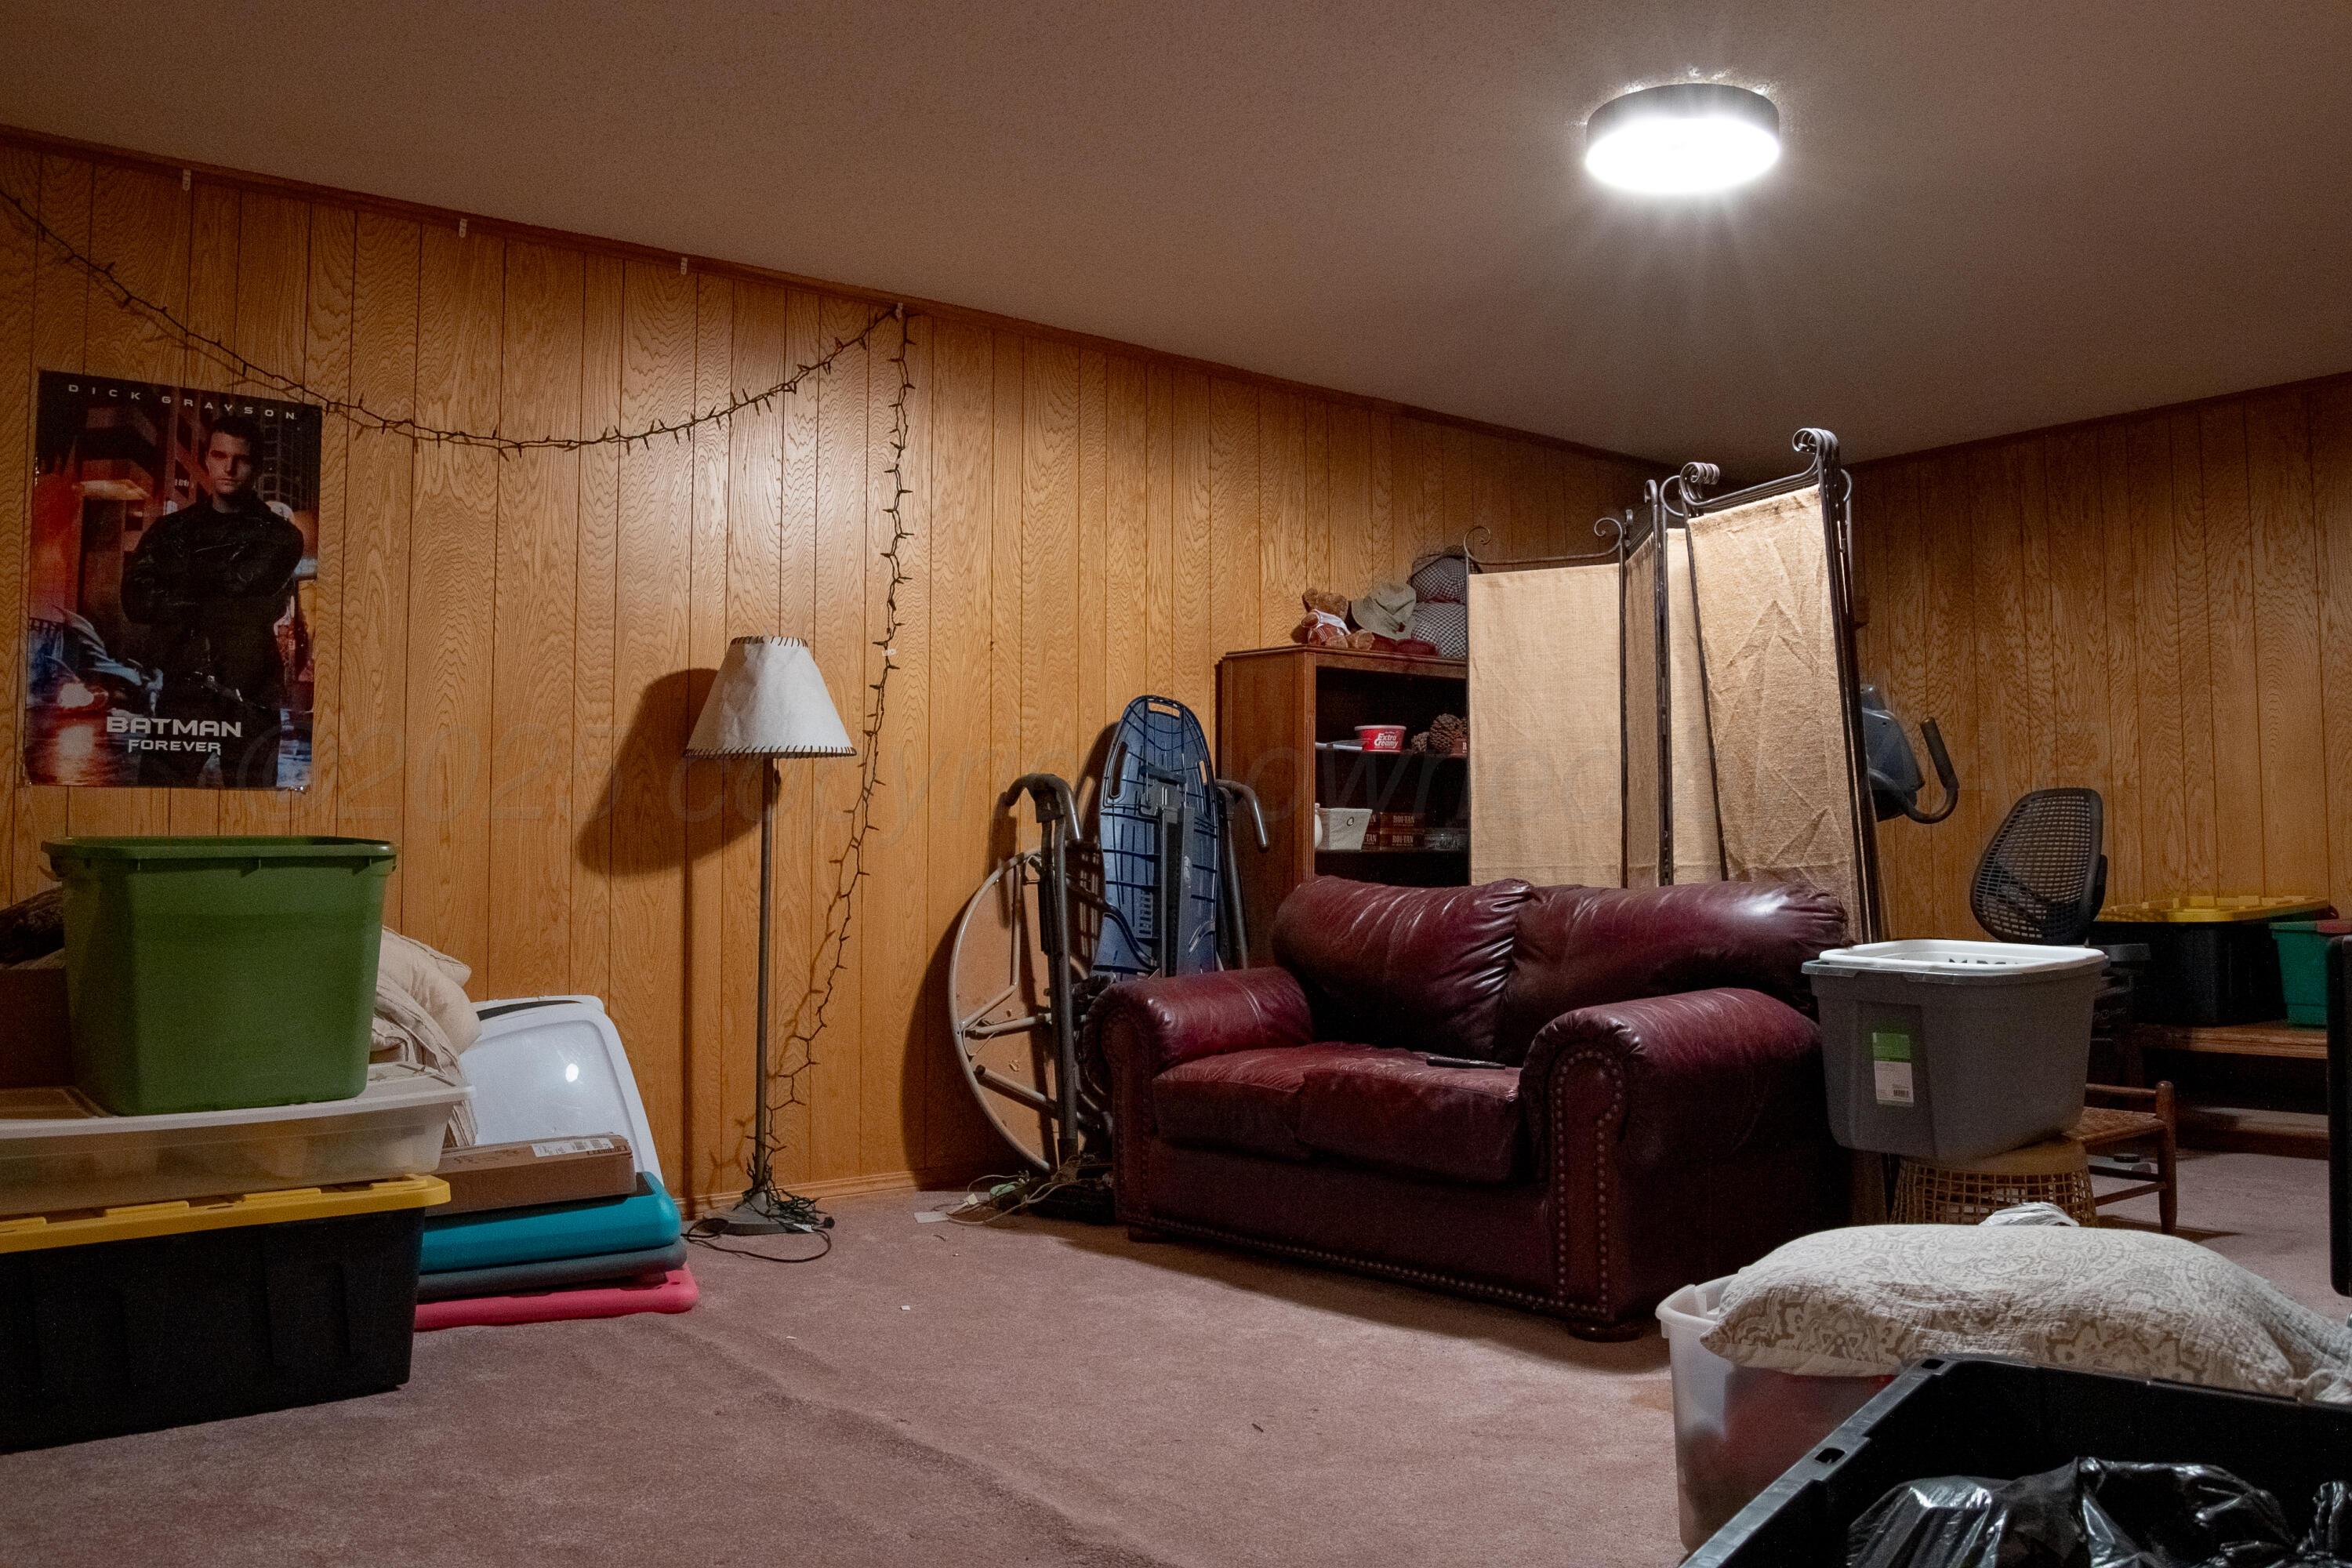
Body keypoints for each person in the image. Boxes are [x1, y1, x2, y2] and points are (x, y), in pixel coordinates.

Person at [120, 411, 304, 786]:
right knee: (155, 804)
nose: (230, 468)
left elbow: (245, 589)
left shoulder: (281, 537)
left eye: (242, 459)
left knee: (253, 813)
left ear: (258, 467)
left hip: (250, 693)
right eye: (220, 456)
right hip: (184, 689)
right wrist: (217, 595)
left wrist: (179, 580)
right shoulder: (170, 530)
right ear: (207, 459)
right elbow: (136, 600)